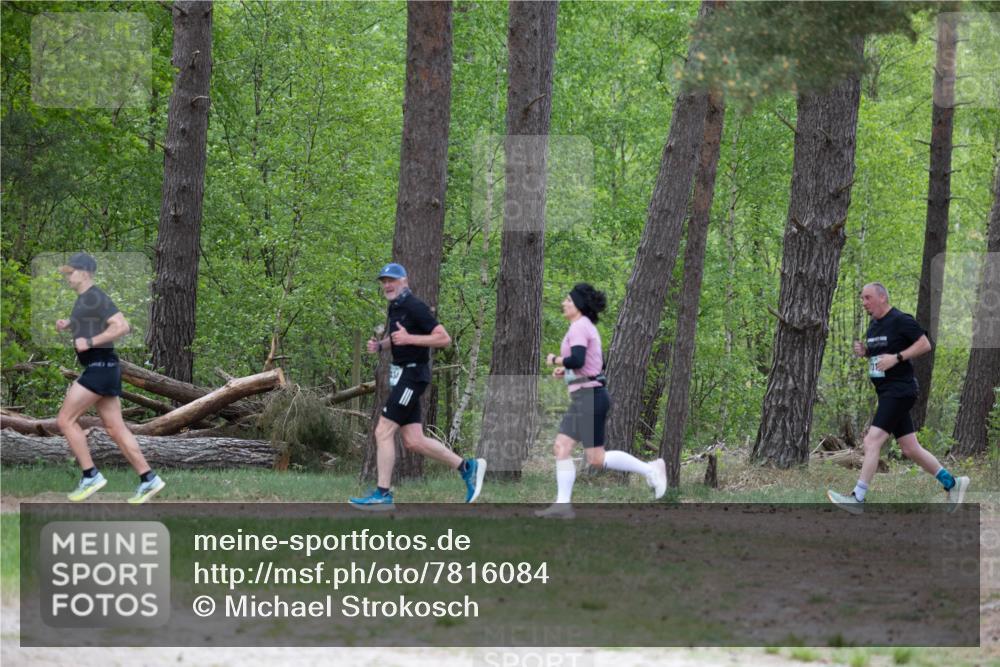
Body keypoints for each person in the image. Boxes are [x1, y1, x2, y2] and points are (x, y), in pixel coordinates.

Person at [349, 263, 485, 510]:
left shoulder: (415, 306)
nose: (387, 285)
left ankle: (382, 495)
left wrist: (410, 339)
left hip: (413, 376)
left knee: (383, 431)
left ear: (405, 281)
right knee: (413, 440)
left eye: (392, 280)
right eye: (384, 281)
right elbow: (398, 337)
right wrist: (381, 346)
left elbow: (443, 338)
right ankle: (467, 468)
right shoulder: (396, 307)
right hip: (402, 376)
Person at [827, 282, 969, 514]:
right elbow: (878, 357)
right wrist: (865, 353)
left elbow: (925, 345)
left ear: (882, 298)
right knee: (910, 447)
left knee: (872, 442)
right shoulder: (873, 326)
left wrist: (897, 357)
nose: (864, 303)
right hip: (886, 393)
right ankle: (953, 484)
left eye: (867, 298)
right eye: (862, 298)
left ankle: (857, 498)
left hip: (900, 390)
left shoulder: (901, 319)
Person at [535, 283, 667, 519]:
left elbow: (576, 359)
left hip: (590, 398)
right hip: (586, 397)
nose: (563, 303)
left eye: (567, 299)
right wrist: (566, 373)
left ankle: (651, 469)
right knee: (563, 448)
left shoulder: (579, 327)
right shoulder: (584, 327)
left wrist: (555, 360)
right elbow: (596, 364)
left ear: (578, 305)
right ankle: (562, 505)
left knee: (595, 458)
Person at [55, 252, 166, 504]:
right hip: (105, 367)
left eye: (70, 273)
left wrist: (90, 342)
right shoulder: (85, 300)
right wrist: (70, 325)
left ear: (84, 273)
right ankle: (149, 479)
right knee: (116, 428)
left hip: (100, 367)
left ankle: (90, 475)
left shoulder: (96, 296)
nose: (68, 278)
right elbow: (89, 324)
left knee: (65, 420)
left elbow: (121, 326)